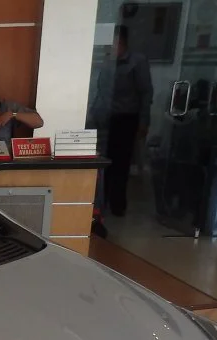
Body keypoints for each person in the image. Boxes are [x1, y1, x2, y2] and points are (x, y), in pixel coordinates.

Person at [92, 24, 152, 216]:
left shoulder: (137, 62)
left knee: (121, 164)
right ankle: (100, 205)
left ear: (121, 41)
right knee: (103, 162)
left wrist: (144, 121)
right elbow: (101, 91)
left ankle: (117, 206)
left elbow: (146, 93)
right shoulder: (107, 62)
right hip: (105, 119)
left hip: (126, 119)